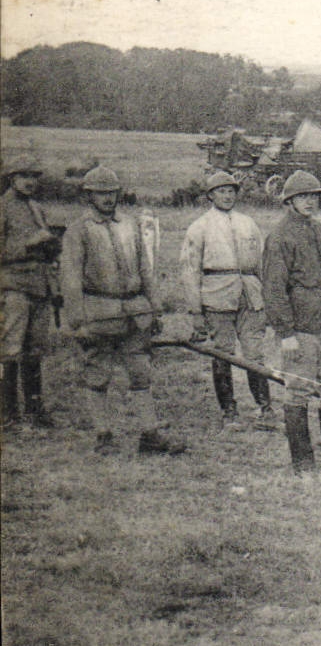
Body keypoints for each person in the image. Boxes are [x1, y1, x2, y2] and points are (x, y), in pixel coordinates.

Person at [59, 166, 187, 455]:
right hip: (98, 313)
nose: (107, 198)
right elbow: (70, 279)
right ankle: (103, 435)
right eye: (100, 194)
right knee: (97, 374)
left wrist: (155, 309)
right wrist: (76, 320)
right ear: (89, 196)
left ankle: (150, 434)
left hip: (135, 312)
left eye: (112, 193)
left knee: (141, 373)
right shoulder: (78, 231)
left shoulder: (130, 225)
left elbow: (146, 271)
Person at [262, 170, 321, 472]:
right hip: (300, 329)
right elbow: (273, 289)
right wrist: (286, 333)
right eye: (303, 197)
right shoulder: (280, 237)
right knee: (298, 392)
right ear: (289, 201)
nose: (310, 202)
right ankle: (303, 464)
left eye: (314, 196)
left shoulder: (319, 230)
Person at [179, 171, 276, 431]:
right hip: (216, 295)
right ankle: (229, 411)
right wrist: (195, 311)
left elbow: (262, 263)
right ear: (211, 195)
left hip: (250, 293)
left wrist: (266, 296)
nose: (227, 195)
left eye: (231, 190)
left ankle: (265, 409)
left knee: (254, 355)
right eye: (221, 191)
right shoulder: (199, 227)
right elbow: (189, 270)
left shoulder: (248, 223)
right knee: (223, 353)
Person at [1, 153, 59, 428]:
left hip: (39, 287)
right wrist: (30, 244)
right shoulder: (2, 208)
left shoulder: (36, 207)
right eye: (24, 176)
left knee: (35, 350)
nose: (30, 182)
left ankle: (35, 409)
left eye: (34, 177)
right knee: (10, 350)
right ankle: (8, 412)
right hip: (13, 287)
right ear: (12, 178)